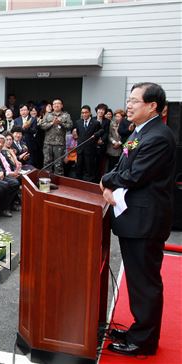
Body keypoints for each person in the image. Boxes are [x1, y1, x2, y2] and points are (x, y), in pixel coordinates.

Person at [101, 82, 176, 357]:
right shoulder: (141, 132)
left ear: (152, 105)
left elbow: (134, 175)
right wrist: (111, 180)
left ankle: (144, 341)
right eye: (129, 100)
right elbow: (124, 165)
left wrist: (105, 180)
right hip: (135, 218)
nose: (128, 105)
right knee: (137, 279)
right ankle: (138, 329)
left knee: (144, 282)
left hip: (146, 221)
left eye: (134, 101)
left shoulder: (157, 136)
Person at [38, 98, 72, 175]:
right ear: (52, 106)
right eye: (54, 104)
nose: (56, 105)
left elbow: (70, 126)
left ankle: (59, 183)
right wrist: (51, 123)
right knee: (47, 163)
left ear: (62, 105)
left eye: (58, 103)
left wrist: (60, 123)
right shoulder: (47, 115)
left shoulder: (66, 115)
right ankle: (46, 182)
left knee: (59, 164)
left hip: (59, 144)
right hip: (48, 143)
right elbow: (42, 126)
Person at [73, 105, 101, 182]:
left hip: (90, 150)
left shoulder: (96, 123)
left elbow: (99, 133)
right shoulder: (78, 122)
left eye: (86, 112)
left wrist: (95, 137)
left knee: (89, 169)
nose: (84, 114)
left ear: (90, 113)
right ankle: (78, 183)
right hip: (80, 149)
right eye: (82, 113)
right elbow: (78, 134)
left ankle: (88, 183)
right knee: (79, 168)